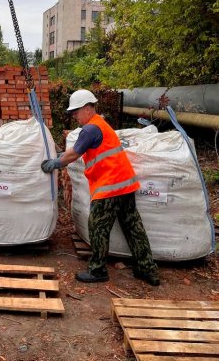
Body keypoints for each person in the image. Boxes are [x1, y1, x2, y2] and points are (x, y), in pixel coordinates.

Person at [41, 89, 159, 286]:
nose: (74, 116)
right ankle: (147, 269)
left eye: (76, 111)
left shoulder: (90, 129)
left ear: (88, 108)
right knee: (133, 227)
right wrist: (62, 154)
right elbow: (83, 150)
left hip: (110, 186)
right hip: (126, 185)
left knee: (97, 226)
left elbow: (73, 155)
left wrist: (55, 163)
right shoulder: (100, 125)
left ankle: (97, 270)